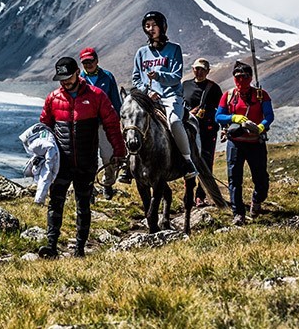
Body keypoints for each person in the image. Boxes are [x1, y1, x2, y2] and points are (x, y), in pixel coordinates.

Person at [38, 57, 126, 258]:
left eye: (68, 78)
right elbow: (44, 127)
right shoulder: (53, 98)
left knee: (83, 203)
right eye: (61, 79)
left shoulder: (97, 96)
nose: (64, 83)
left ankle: (79, 249)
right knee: (56, 202)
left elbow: (112, 124)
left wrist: (119, 150)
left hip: (86, 161)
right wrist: (41, 153)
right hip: (61, 162)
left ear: (78, 73)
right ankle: (51, 246)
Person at [131, 11, 199, 179]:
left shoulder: (174, 49)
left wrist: (159, 77)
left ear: (162, 27)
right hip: (149, 98)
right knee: (132, 122)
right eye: (147, 26)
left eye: (154, 25)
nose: (151, 29)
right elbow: (136, 78)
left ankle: (187, 161)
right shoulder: (141, 53)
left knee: (175, 122)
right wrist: (147, 92)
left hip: (170, 96)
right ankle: (128, 164)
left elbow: (176, 77)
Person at [216, 61, 274, 226]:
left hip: (256, 142)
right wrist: (233, 118)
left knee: (261, 178)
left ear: (250, 77)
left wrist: (262, 126)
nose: (240, 80)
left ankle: (257, 198)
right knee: (234, 179)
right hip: (235, 143)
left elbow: (269, 115)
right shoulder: (228, 96)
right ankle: (238, 213)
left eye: (244, 77)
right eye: (237, 77)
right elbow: (218, 116)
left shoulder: (261, 95)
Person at [78, 47, 125, 187]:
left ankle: (108, 182)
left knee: (107, 155)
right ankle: (88, 186)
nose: (88, 64)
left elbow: (115, 100)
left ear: (97, 60)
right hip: (86, 124)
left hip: (105, 123)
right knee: (87, 157)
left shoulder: (107, 77)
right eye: (85, 62)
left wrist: (118, 119)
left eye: (90, 61)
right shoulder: (79, 79)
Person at [182, 58, 223, 207]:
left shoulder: (214, 88)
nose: (199, 72)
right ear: (193, 69)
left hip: (208, 131)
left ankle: (201, 195)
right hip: (189, 130)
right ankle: (188, 193)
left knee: (205, 162)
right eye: (196, 69)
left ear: (207, 71)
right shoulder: (185, 85)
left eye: (202, 70)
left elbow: (221, 108)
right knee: (188, 161)